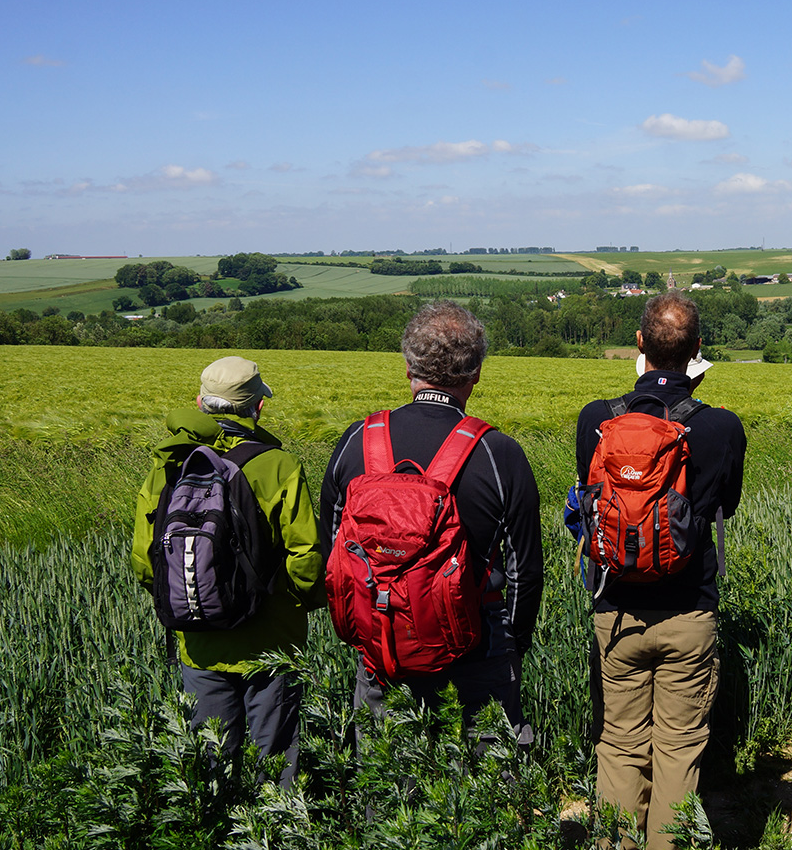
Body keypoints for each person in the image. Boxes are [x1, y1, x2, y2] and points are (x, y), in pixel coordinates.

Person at [319, 300, 543, 727]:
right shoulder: (499, 453)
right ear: (475, 375)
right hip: (478, 652)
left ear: (408, 368)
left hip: (382, 649)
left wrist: (370, 627)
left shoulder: (357, 442)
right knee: (485, 784)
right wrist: (511, 644)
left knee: (387, 783)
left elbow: (332, 556)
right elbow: (525, 571)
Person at [575, 292, 746, 850]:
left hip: (616, 611)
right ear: (699, 350)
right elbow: (730, 504)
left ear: (640, 344)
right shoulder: (721, 427)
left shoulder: (597, 419)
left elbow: (590, 500)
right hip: (690, 609)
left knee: (620, 742)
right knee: (678, 746)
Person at [130, 355, 324, 787]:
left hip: (199, 640)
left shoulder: (169, 466)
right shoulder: (279, 466)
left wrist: (187, 596)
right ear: (258, 407)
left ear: (200, 402)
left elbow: (145, 560)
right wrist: (303, 605)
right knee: (274, 765)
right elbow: (306, 556)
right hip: (272, 642)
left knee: (211, 765)